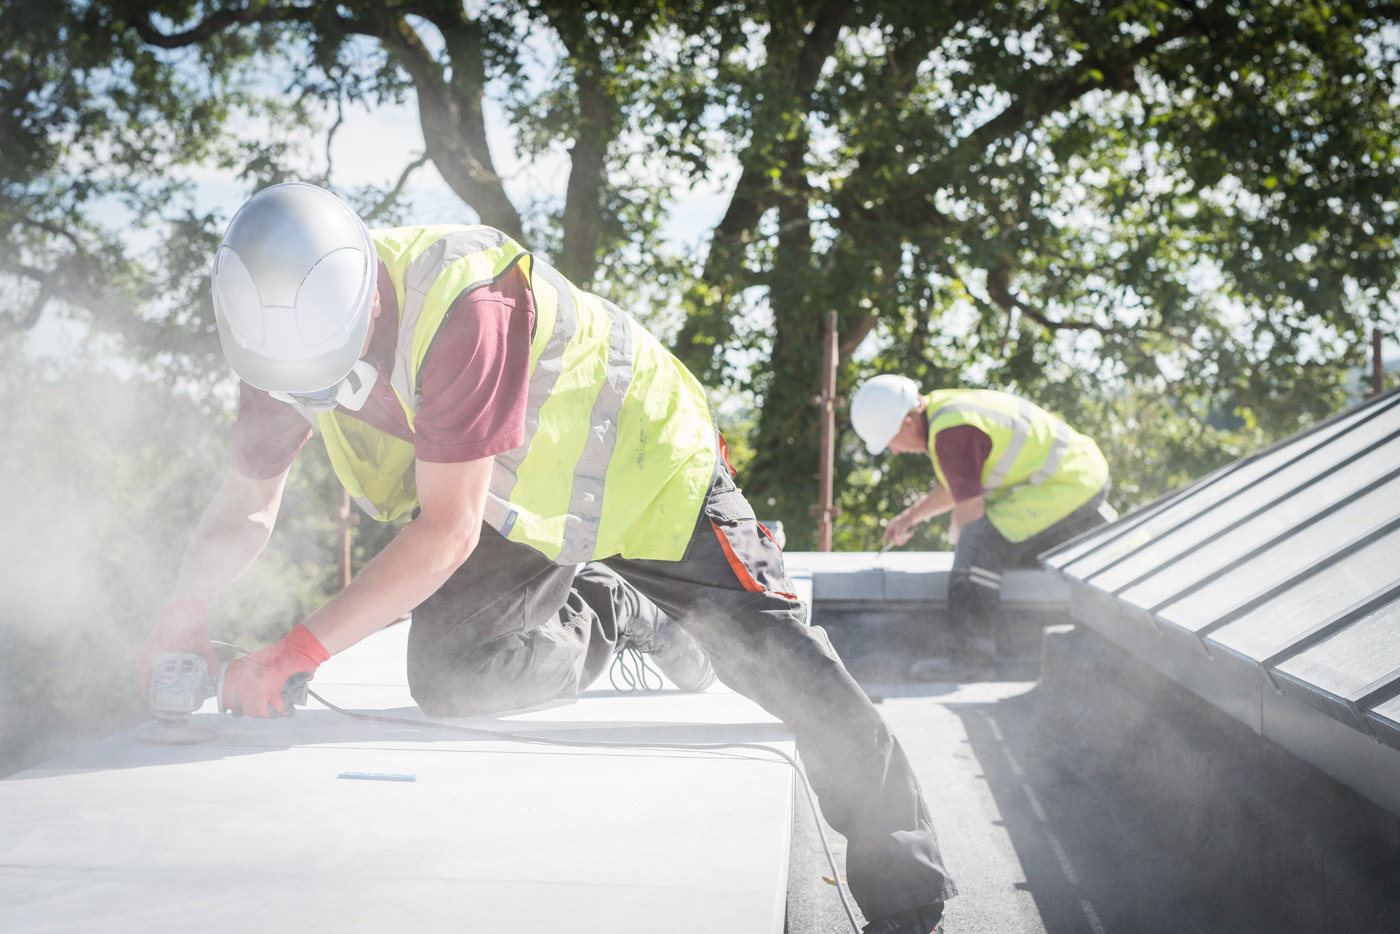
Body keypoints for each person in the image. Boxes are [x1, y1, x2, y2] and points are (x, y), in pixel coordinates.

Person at [136, 183, 955, 934]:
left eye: (326, 378)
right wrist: (186, 609)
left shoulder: (463, 305)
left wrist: (300, 649)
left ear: (362, 301)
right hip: (518, 498)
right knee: (454, 677)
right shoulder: (277, 349)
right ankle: (613, 608)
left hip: (648, 471)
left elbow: (447, 531)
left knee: (781, 666)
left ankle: (908, 900)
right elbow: (247, 502)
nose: (313, 398)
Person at [851, 374, 1117, 669]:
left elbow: (970, 512)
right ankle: (1089, 526)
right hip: (1078, 477)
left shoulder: (951, 432)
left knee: (977, 540)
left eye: (891, 441)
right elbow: (957, 485)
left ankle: (971, 658)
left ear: (907, 423)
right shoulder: (944, 412)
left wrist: (964, 554)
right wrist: (908, 518)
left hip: (1070, 485)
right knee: (983, 543)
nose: (895, 450)